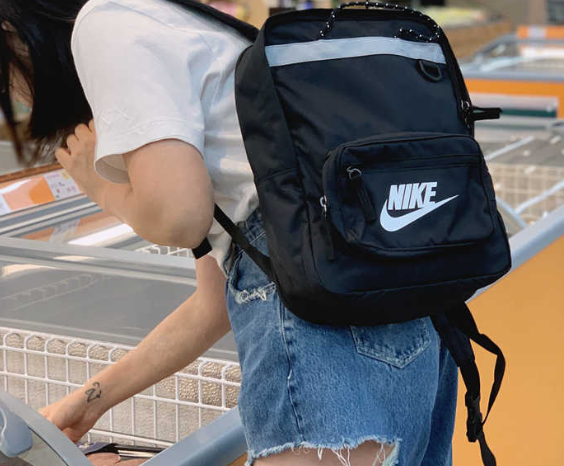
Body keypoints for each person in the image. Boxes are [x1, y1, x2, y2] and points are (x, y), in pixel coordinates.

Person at [0, 1, 459, 465]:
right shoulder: (181, 23)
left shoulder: (103, 19)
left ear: (11, 32)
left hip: (322, 333)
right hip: (401, 314)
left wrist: (103, 188)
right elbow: (211, 305)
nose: (17, 96)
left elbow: (180, 217)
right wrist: (89, 401)